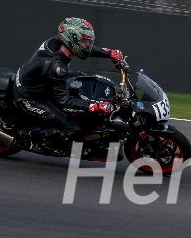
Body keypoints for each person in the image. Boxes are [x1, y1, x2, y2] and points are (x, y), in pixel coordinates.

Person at [12, 17, 125, 150]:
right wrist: (94, 105)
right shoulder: (57, 67)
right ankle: (28, 138)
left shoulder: (56, 42)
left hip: (40, 84)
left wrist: (109, 53)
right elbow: (64, 102)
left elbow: (84, 49)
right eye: (84, 42)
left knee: (82, 77)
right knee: (73, 128)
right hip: (29, 97)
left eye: (88, 42)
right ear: (71, 40)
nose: (87, 45)